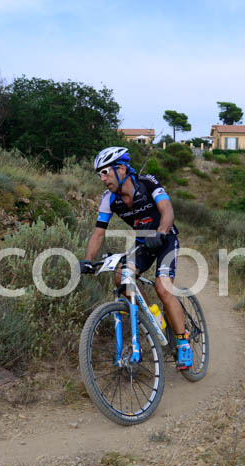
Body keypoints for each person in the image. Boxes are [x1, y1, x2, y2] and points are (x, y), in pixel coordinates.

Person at [80, 146, 193, 370]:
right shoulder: (109, 199)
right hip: (142, 244)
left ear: (121, 168)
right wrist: (87, 260)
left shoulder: (148, 183)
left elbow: (167, 210)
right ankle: (154, 315)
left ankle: (183, 343)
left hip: (165, 238)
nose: (102, 179)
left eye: (105, 172)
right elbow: (98, 233)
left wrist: (161, 232)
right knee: (120, 278)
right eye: (99, 174)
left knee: (163, 287)